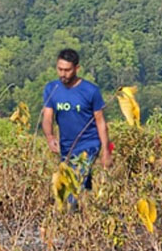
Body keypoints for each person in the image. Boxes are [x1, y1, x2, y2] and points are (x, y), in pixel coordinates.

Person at [42, 49, 111, 208]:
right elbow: (47, 117)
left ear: (77, 68)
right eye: (60, 69)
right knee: (75, 183)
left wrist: (106, 151)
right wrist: (50, 137)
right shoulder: (52, 89)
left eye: (67, 70)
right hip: (66, 146)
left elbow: (101, 122)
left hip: (89, 144)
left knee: (76, 181)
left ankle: (70, 216)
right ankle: (87, 216)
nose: (63, 74)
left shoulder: (91, 91)